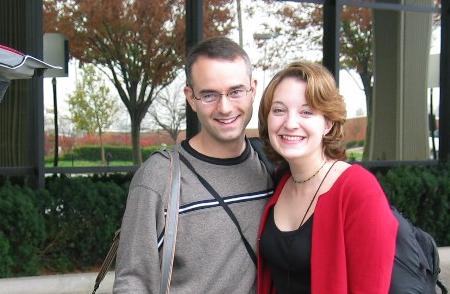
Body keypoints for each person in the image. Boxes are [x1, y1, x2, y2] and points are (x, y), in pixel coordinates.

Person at [113, 37, 274, 293]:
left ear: (253, 90)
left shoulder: (270, 167)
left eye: (236, 91)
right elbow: (133, 281)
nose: (224, 107)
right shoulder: (159, 177)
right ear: (191, 97)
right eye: (209, 94)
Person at [256, 61, 399, 294]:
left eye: (306, 112)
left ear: (328, 124)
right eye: (279, 110)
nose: (290, 123)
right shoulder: (280, 183)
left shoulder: (358, 190)